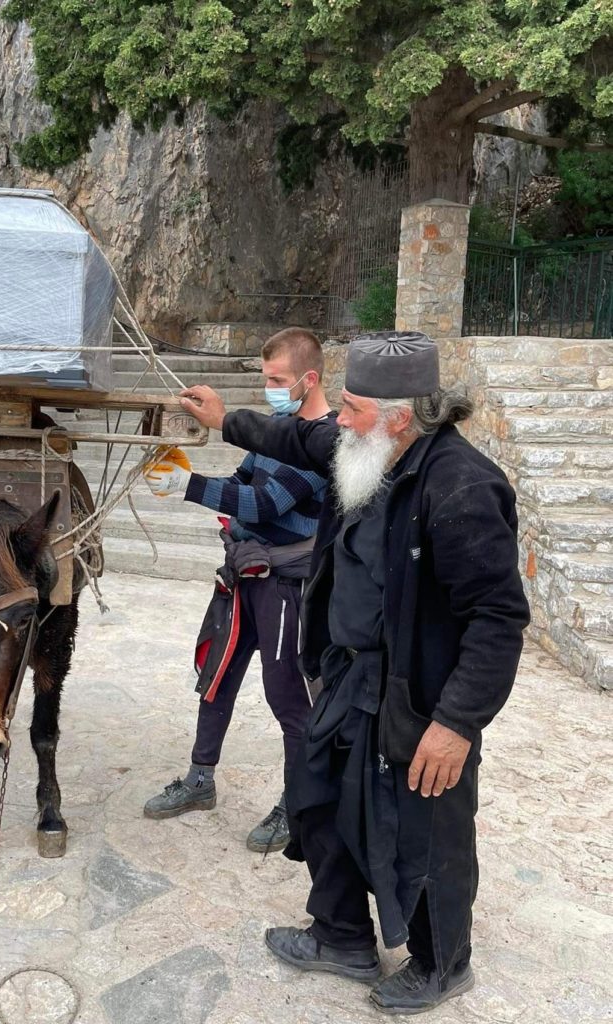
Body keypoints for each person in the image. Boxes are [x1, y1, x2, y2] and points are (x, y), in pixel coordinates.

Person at [178, 331, 529, 1014]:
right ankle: (341, 936)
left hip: (417, 696)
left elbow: (497, 618)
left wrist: (456, 724)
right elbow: (293, 437)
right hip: (345, 679)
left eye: (353, 408)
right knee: (317, 800)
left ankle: (442, 963)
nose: (338, 420)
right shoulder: (358, 447)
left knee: (426, 831)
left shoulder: (462, 487)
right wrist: (224, 421)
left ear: (402, 416)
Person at [142, 328, 333, 853]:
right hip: (243, 575)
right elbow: (246, 480)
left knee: (288, 699)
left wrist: (189, 487)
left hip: (286, 587)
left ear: (308, 380)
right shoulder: (275, 429)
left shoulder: (324, 441)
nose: (270, 388)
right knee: (216, 676)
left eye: (278, 380)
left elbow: (264, 505)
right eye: (266, 377)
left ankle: (298, 807)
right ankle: (200, 779)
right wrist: (192, 473)